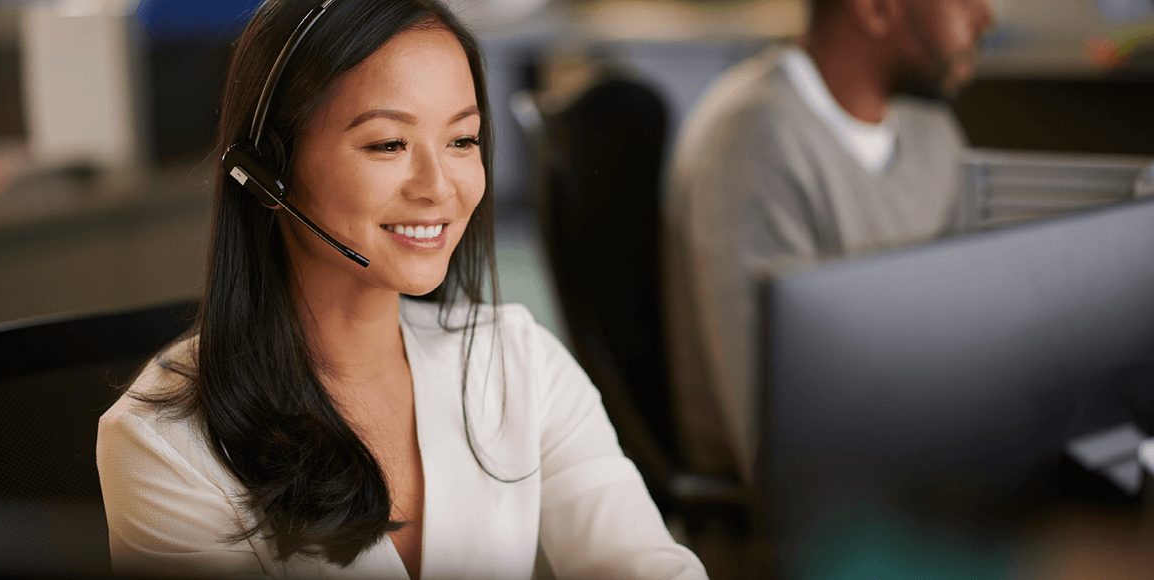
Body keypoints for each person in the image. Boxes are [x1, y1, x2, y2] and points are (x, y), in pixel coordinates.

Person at [95, 1, 708, 578]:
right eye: (388, 144)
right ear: (268, 171)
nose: (440, 187)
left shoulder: (517, 361)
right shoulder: (164, 448)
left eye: (462, 140)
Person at [662, 0, 996, 481]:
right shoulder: (752, 144)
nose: (986, 17)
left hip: (922, 477)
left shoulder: (932, 132)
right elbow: (780, 448)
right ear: (876, 8)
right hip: (818, 530)